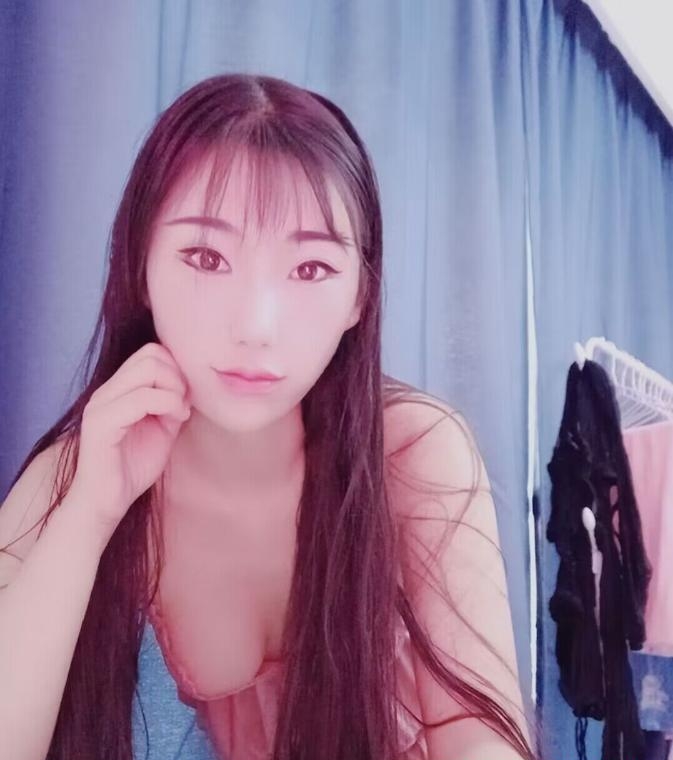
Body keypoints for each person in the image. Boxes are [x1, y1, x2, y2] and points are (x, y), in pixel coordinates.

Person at [0, 73, 538, 760]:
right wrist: (88, 515)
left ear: (360, 296)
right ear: (140, 266)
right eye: (206, 257)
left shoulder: (413, 452)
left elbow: (481, 742)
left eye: (310, 269)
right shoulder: (76, 471)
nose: (256, 326)